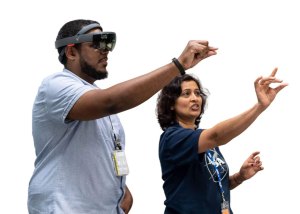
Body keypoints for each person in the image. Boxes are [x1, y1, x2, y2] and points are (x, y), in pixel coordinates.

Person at [27, 19, 218, 214]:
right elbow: (110, 102)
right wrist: (178, 66)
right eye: (97, 43)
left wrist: (121, 194)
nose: (105, 50)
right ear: (71, 52)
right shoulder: (56, 86)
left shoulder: (95, 99)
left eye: (108, 43)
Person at [156, 71, 287, 213]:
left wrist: (239, 177)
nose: (195, 98)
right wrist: (259, 107)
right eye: (186, 94)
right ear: (171, 104)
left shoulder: (205, 141)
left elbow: (212, 185)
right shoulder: (173, 138)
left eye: (197, 93)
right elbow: (216, 135)